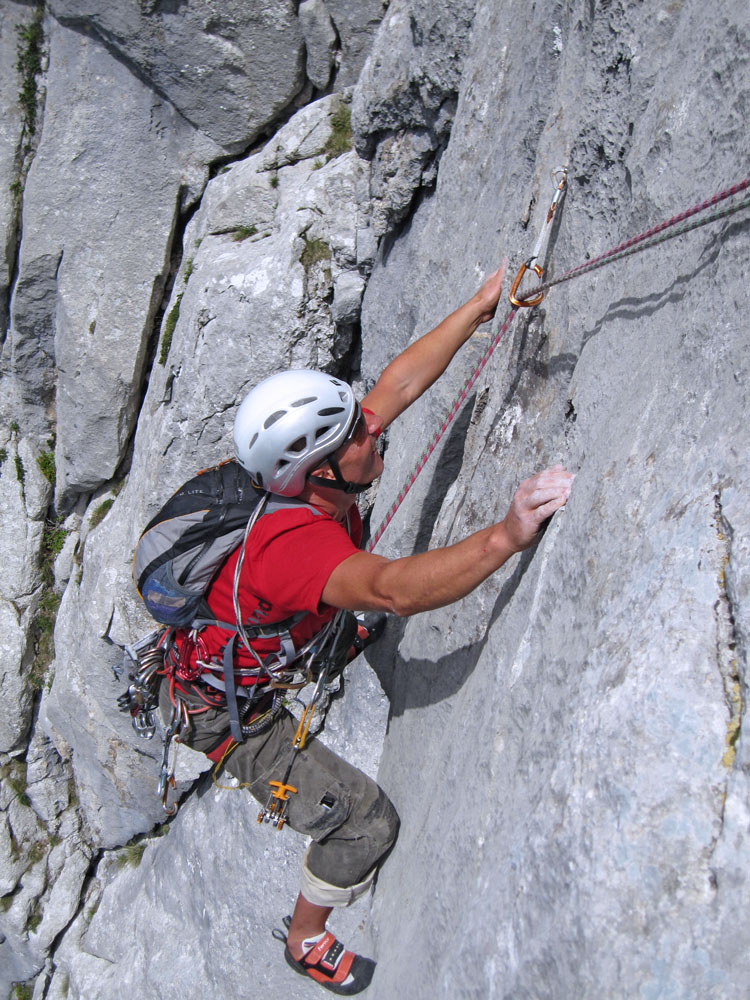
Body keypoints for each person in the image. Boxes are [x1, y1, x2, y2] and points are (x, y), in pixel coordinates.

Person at [165, 266, 573, 995]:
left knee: (340, 615)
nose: (372, 425)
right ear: (320, 472)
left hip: (257, 642)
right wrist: (506, 536)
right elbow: (391, 590)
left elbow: (398, 384)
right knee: (363, 824)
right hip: (229, 714)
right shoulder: (294, 548)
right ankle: (305, 939)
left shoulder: (316, 475)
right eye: (355, 432)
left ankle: (330, 639)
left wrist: (480, 305)